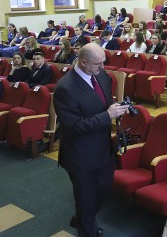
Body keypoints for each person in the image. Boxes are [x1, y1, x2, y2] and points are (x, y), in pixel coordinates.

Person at [54, 43, 130, 237]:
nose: (103, 67)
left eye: (104, 62)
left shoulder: (101, 76)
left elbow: (105, 103)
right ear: (83, 62)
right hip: (80, 154)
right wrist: (107, 116)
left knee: (104, 189)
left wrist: (118, 108)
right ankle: (87, 229)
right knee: (85, 199)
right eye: (98, 64)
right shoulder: (66, 88)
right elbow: (73, 128)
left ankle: (82, 218)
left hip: (103, 148)